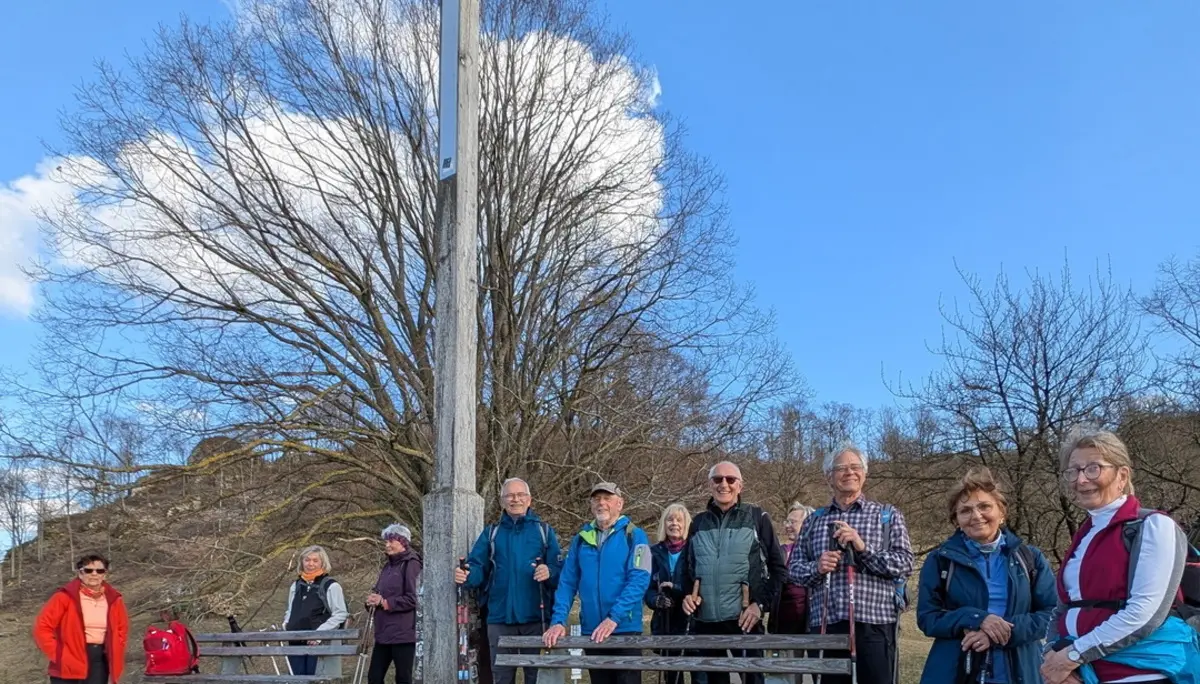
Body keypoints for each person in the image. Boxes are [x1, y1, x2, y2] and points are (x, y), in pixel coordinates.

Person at [1041, 429, 1200, 684]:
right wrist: (1051, 657)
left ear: (1122, 475)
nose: (1081, 480)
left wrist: (1072, 656)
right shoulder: (1084, 536)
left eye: (1093, 468)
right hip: (1081, 674)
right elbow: (1062, 609)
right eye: (1073, 471)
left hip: (1142, 674)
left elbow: (1145, 613)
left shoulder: (1153, 526)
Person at [917, 467, 1056, 684]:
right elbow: (928, 618)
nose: (976, 516)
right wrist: (976, 618)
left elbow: (1053, 614)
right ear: (957, 520)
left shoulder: (1030, 558)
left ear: (1002, 512)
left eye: (984, 506)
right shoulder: (940, 560)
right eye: (965, 511)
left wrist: (998, 633)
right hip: (954, 672)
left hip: (1019, 671)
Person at [789, 444, 914, 684]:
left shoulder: (886, 515)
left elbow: (904, 563)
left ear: (864, 474)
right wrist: (817, 566)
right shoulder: (814, 520)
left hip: (875, 624)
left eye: (856, 467)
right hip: (826, 624)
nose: (849, 472)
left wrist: (862, 549)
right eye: (841, 468)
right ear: (829, 476)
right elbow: (794, 570)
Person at [681, 461, 788, 684]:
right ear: (710, 484)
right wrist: (686, 597)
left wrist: (760, 606)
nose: (724, 484)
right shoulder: (698, 523)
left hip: (745, 621)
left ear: (740, 486)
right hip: (705, 623)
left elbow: (779, 570)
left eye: (730, 479)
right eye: (718, 479)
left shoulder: (758, 517)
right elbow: (685, 571)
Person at [543, 481, 652, 684]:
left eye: (607, 498)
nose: (601, 503)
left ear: (620, 503)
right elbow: (567, 582)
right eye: (596, 499)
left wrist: (614, 618)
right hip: (593, 630)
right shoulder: (581, 539)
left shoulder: (635, 536)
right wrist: (558, 621)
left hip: (625, 628)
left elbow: (639, 580)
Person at [457, 477, 563, 684]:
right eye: (510, 496)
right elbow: (477, 567)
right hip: (499, 618)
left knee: (537, 677)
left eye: (520, 495)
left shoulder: (544, 531)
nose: (515, 499)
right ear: (502, 501)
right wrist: (467, 575)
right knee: (502, 677)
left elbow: (561, 572)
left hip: (536, 618)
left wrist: (549, 571)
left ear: (529, 499)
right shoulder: (491, 533)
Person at [34, 553, 130, 684]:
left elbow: (121, 629)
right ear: (80, 573)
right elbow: (42, 627)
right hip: (68, 660)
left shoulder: (114, 599)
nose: (94, 574)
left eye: (99, 570)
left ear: (104, 574)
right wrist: (57, 653)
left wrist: (116, 648)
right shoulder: (64, 597)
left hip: (98, 660)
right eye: (89, 570)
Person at [644, 503, 700, 684]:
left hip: (692, 622)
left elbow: (699, 584)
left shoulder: (695, 550)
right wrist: (656, 599)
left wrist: (676, 588)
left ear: (686, 524)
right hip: (665, 622)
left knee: (699, 675)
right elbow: (647, 589)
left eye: (679, 520)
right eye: (670, 519)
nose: (674, 523)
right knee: (672, 677)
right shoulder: (654, 552)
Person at [366, 524, 422, 684]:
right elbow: (380, 593)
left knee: (403, 678)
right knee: (374, 678)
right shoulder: (388, 566)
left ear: (403, 542)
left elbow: (415, 598)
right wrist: (371, 601)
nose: (387, 545)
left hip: (404, 634)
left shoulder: (412, 564)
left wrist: (385, 602)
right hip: (384, 633)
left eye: (391, 541)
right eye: (386, 542)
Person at [283, 545, 349, 676]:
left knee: (316, 679)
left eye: (315, 560)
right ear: (302, 562)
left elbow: (340, 614)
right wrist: (286, 624)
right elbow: (290, 610)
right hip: (295, 641)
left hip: (318, 644)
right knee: (297, 679)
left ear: (322, 563)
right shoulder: (296, 585)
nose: (310, 564)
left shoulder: (331, 585)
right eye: (307, 560)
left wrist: (319, 634)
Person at [773, 502, 815, 635]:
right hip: (784, 621)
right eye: (787, 522)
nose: (787, 526)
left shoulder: (817, 550)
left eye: (792, 522)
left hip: (812, 618)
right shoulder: (781, 551)